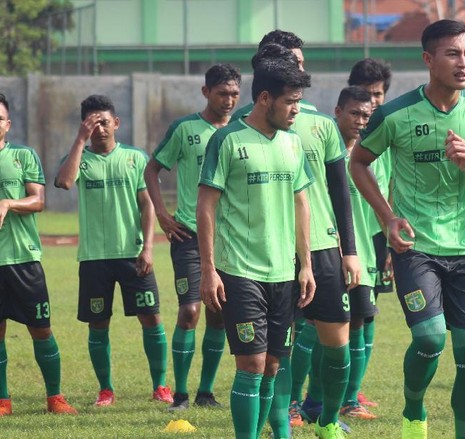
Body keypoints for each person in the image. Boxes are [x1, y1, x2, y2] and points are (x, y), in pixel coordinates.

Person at [350, 19, 465, 439]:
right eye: (453, 54)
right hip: (416, 247)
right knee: (430, 338)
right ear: (428, 59)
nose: (463, 63)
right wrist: (387, 217)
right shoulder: (396, 113)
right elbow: (358, 162)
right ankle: (414, 409)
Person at [240, 32, 361, 439]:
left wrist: (351, 250)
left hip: (324, 247)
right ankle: (281, 423)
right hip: (271, 253)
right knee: (278, 350)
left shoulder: (321, 124)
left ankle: (327, 420)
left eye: (301, 62)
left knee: (338, 342)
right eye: (290, 62)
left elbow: (340, 190)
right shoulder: (244, 127)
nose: (299, 69)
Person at [197, 57, 315, 439]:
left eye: (299, 101)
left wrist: (306, 265)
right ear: (265, 98)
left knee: (272, 367)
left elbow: (301, 204)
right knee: (250, 363)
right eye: (290, 101)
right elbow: (206, 205)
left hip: (283, 272)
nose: (296, 109)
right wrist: (208, 268)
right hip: (239, 271)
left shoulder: (294, 143)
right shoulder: (227, 139)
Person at [55, 94, 172, 407]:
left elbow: (146, 205)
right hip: (94, 258)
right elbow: (65, 183)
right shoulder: (78, 158)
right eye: (93, 123)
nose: (100, 128)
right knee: (98, 323)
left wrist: (148, 248)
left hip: (133, 255)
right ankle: (105, 389)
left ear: (116, 123)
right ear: (84, 126)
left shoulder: (134, 158)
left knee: (152, 318)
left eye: (104, 122)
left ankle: (160, 386)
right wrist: (80, 140)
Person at [0, 91, 78, 417]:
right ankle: (2, 401)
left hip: (24, 259)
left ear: (9, 124)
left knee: (41, 328)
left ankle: (55, 398)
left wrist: (7, 202)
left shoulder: (24, 155)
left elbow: (38, 201)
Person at [144, 63, 241, 410]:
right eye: (221, 93)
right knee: (190, 311)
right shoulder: (185, 129)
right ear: (206, 92)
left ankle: (206, 393)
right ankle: (180, 394)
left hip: (230, 238)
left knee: (218, 313)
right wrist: (162, 215)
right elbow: (152, 168)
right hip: (188, 233)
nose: (228, 100)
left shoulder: (243, 129)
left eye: (234, 93)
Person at [346, 58, 394, 409]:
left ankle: (355, 389)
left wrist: (391, 239)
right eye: (368, 94)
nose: (374, 101)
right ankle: (342, 395)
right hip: (347, 239)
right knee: (347, 318)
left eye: (379, 94)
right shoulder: (343, 137)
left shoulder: (388, 133)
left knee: (370, 311)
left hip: (377, 237)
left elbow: (392, 188)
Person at [334, 86, 379, 420]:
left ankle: (351, 400)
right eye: (354, 114)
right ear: (338, 111)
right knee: (322, 328)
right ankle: (307, 400)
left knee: (361, 322)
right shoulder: (326, 151)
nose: (360, 121)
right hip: (327, 255)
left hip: (364, 255)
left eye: (366, 116)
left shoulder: (373, 156)